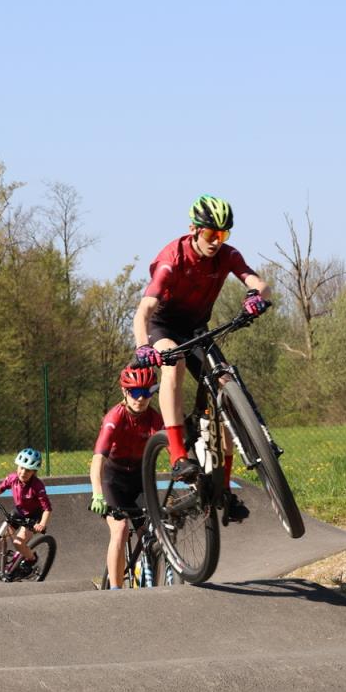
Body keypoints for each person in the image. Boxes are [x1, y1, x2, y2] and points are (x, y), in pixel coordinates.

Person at [131, 194, 271, 522]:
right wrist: (142, 347)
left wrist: (256, 297)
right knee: (174, 363)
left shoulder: (227, 256)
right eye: (211, 234)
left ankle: (225, 490)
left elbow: (258, 282)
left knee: (226, 388)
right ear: (194, 229)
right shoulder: (172, 259)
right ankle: (178, 454)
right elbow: (144, 311)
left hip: (196, 329)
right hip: (163, 327)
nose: (216, 241)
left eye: (223, 234)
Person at [88, 365, 165, 589]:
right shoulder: (114, 417)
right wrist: (97, 494)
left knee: (152, 536)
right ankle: (115, 590)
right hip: (113, 480)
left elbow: (172, 449)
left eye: (146, 392)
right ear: (124, 391)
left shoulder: (154, 418)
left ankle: (151, 586)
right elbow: (98, 460)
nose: (140, 398)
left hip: (139, 480)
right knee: (120, 529)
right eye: (135, 392)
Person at [0, 448, 53, 578]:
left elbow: (47, 508)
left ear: (34, 472)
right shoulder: (12, 478)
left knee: (18, 543)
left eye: (28, 470)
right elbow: (1, 487)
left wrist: (42, 524)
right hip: (19, 512)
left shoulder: (37, 486)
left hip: (33, 517)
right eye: (21, 468)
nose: (23, 472)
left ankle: (31, 560)